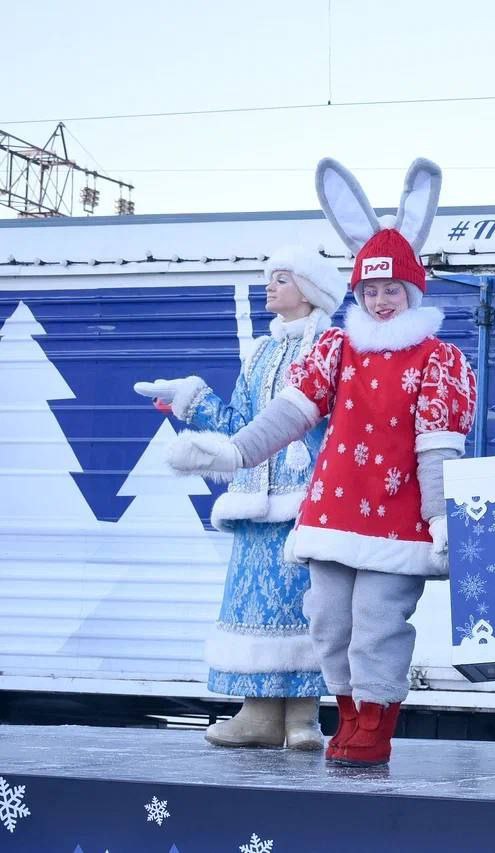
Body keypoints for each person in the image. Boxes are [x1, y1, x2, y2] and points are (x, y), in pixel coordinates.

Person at [167, 158, 477, 767]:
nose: (381, 301)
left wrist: (442, 517)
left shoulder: (437, 360)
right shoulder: (337, 349)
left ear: (413, 292)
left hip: (397, 521)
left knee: (377, 624)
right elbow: (288, 414)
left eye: (393, 290)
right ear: (357, 293)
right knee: (329, 623)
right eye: (371, 290)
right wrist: (233, 451)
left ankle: (375, 727)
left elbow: (436, 446)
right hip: (333, 513)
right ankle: (349, 715)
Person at [134, 248, 345, 749]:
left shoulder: (330, 348)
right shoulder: (260, 354)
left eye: (281, 278)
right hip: (254, 501)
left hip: (306, 501)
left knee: (306, 606)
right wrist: (193, 399)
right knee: (256, 606)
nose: (270, 287)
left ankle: (302, 717)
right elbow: (239, 427)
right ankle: (260, 715)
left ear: (309, 290)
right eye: (269, 279)